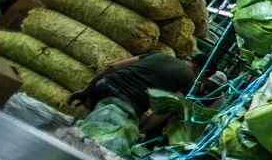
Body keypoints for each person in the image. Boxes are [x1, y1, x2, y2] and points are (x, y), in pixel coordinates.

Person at [70, 52, 201, 135]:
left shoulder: (159, 54)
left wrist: (86, 90)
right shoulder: (190, 79)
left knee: (91, 125)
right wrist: (141, 131)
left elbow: (112, 67)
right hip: (128, 102)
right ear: (204, 73)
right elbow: (167, 108)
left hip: (103, 86)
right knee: (100, 137)